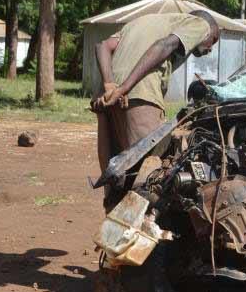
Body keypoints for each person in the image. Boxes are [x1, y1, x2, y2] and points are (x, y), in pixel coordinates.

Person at [91, 10, 221, 175]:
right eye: (214, 40)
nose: (210, 49)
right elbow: (164, 45)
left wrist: (109, 85)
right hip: (138, 95)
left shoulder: (139, 22)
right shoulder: (200, 24)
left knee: (116, 173)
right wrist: (123, 88)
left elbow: (102, 46)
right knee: (152, 173)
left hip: (105, 100)